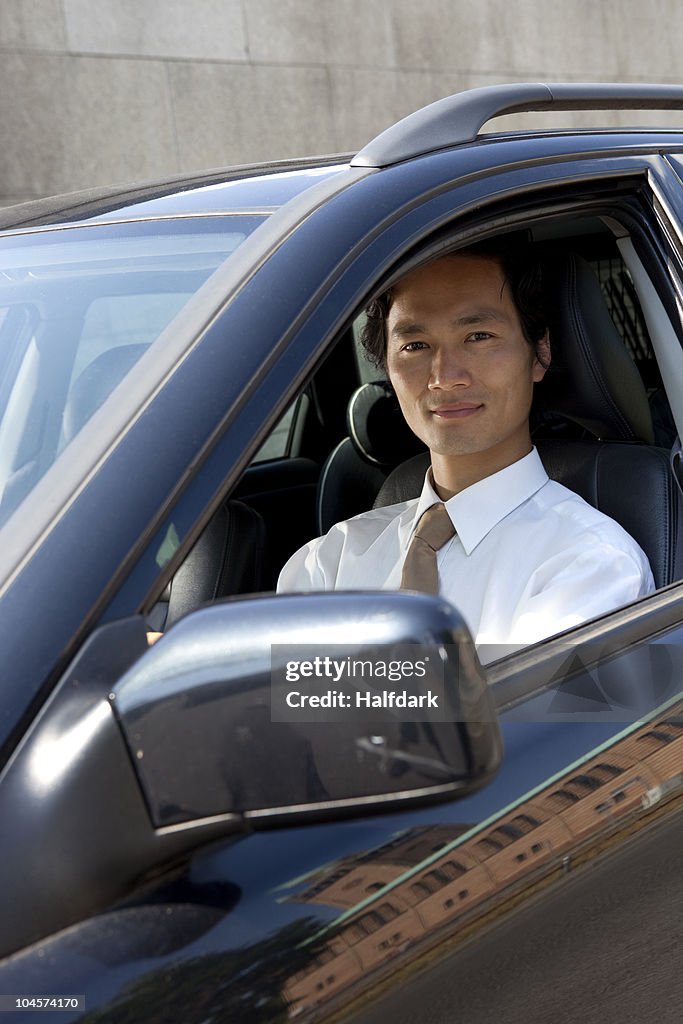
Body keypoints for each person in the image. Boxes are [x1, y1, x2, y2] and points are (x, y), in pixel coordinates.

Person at [277, 240, 655, 658]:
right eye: (415, 346)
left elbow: (512, 723)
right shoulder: (329, 561)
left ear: (539, 353)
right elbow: (290, 718)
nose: (444, 377)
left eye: (478, 336)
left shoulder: (589, 566)